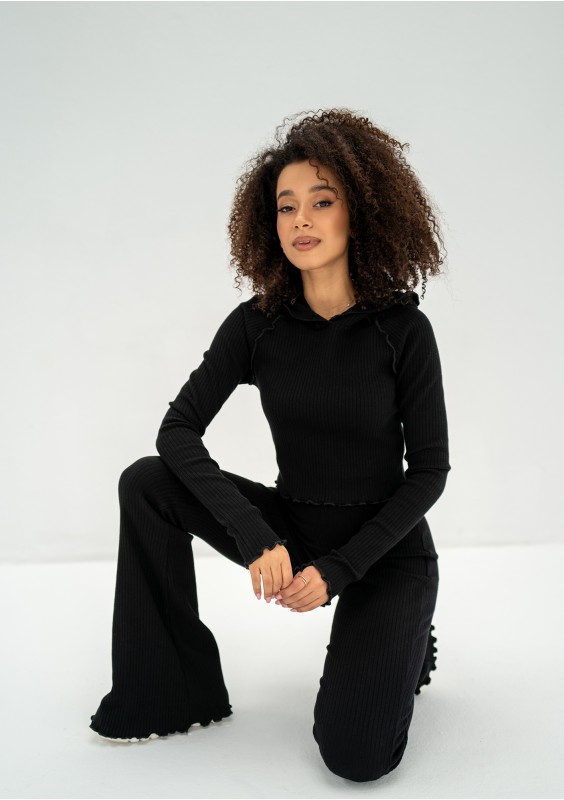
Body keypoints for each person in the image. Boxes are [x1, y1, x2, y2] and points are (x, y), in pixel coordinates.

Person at [89, 108, 451, 783]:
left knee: (356, 760)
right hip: (293, 528)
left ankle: (406, 637)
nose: (301, 220)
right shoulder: (257, 326)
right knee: (146, 482)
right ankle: (172, 689)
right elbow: (176, 432)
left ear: (361, 212)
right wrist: (256, 536)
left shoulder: (403, 331)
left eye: (322, 201)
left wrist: (340, 570)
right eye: (287, 206)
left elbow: (430, 471)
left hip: (384, 553)